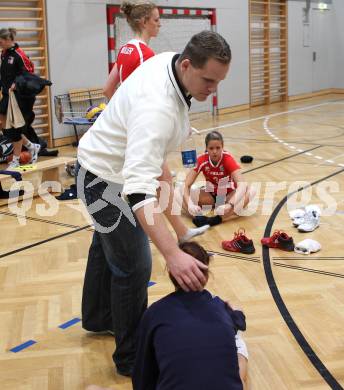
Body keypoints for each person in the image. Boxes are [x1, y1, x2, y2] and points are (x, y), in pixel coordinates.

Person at [77, 30, 232, 376]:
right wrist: (172, 254)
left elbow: (153, 163)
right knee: (134, 265)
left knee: (107, 248)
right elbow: (137, 191)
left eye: (219, 80)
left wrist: (180, 230)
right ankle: (131, 358)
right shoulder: (157, 107)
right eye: (208, 79)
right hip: (105, 181)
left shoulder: (172, 64)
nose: (213, 88)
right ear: (188, 64)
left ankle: (98, 318)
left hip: (107, 167)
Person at [104, 0, 209, 243]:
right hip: (143, 132)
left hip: (133, 130)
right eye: (155, 19)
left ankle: (180, 232)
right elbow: (155, 96)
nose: (159, 23)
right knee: (159, 182)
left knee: (161, 180)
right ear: (143, 22)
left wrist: (123, 119)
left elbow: (108, 89)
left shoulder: (125, 50)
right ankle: (174, 235)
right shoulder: (145, 54)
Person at [132, 241, 249, 390]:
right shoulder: (222, 309)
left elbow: (142, 374)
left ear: (171, 273)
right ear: (206, 276)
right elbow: (240, 322)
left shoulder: (154, 313)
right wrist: (236, 311)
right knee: (239, 346)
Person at [182, 131, 255, 227]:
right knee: (180, 192)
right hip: (211, 196)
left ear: (222, 147)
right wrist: (190, 204)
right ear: (206, 148)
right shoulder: (201, 159)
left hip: (229, 196)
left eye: (218, 148)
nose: (214, 151)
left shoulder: (228, 159)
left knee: (251, 191)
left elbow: (242, 185)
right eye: (211, 148)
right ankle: (198, 218)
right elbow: (186, 185)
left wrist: (230, 205)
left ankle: (218, 219)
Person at [0, 28, 41, 169]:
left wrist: (16, 84)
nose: (0, 45)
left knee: (15, 129)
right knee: (4, 126)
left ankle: (16, 161)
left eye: (1, 42)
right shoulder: (4, 54)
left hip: (20, 97)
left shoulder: (20, 55)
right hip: (7, 96)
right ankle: (32, 146)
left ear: (8, 40)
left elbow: (29, 75)